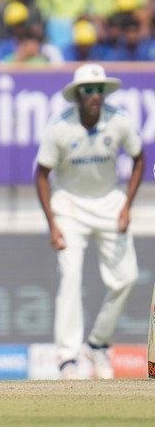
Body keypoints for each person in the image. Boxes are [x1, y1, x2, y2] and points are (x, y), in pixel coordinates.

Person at [35, 63, 145, 380]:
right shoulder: (60, 128)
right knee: (70, 275)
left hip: (110, 201)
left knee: (127, 277)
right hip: (68, 203)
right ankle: (68, 358)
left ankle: (98, 343)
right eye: (88, 90)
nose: (95, 96)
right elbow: (42, 176)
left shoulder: (120, 122)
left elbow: (139, 159)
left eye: (99, 90)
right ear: (78, 95)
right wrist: (53, 224)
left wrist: (126, 205)